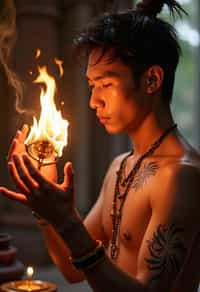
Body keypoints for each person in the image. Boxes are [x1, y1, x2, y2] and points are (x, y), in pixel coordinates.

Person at [1, 0, 200, 291]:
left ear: (152, 79)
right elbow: (72, 268)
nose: (94, 101)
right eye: (92, 86)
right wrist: (47, 210)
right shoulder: (120, 165)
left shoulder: (180, 176)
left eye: (105, 84)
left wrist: (67, 220)